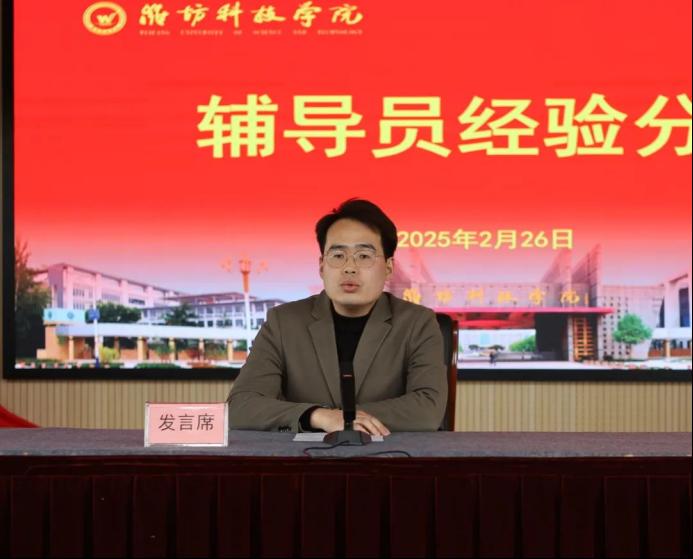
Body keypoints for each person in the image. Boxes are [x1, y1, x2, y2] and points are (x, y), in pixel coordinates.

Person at [227, 199, 447, 436]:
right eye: (338, 255)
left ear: (388, 267)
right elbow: (240, 406)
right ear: (322, 266)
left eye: (364, 256)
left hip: (389, 455)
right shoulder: (283, 322)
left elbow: (428, 408)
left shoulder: (417, 323)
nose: (349, 268)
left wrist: (345, 419)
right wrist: (318, 416)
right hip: (305, 456)